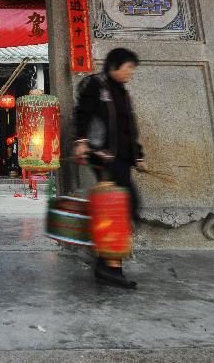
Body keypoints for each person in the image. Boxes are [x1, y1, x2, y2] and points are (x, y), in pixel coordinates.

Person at [73, 48, 147, 290]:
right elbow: (82, 113)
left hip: (122, 159)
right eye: (128, 67)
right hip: (103, 157)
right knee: (119, 208)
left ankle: (108, 264)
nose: (130, 73)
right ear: (114, 65)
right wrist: (81, 141)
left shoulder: (123, 93)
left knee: (124, 209)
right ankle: (109, 267)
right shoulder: (95, 85)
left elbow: (129, 127)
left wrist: (138, 155)